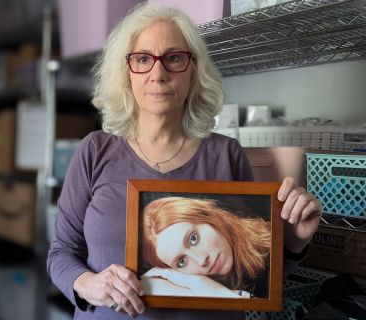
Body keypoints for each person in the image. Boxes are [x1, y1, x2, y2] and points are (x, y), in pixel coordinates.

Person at [47, 3, 322, 319]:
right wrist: (87, 283)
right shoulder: (95, 151)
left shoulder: (226, 154)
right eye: (142, 59)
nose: (158, 74)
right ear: (126, 74)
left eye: (174, 58)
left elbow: (257, 273)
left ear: (194, 71)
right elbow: (61, 255)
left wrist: (294, 242)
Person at [140, 197, 271, 299]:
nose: (201, 260)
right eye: (181, 262)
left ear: (207, 216)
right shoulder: (198, 291)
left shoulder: (272, 245)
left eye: (193, 239)